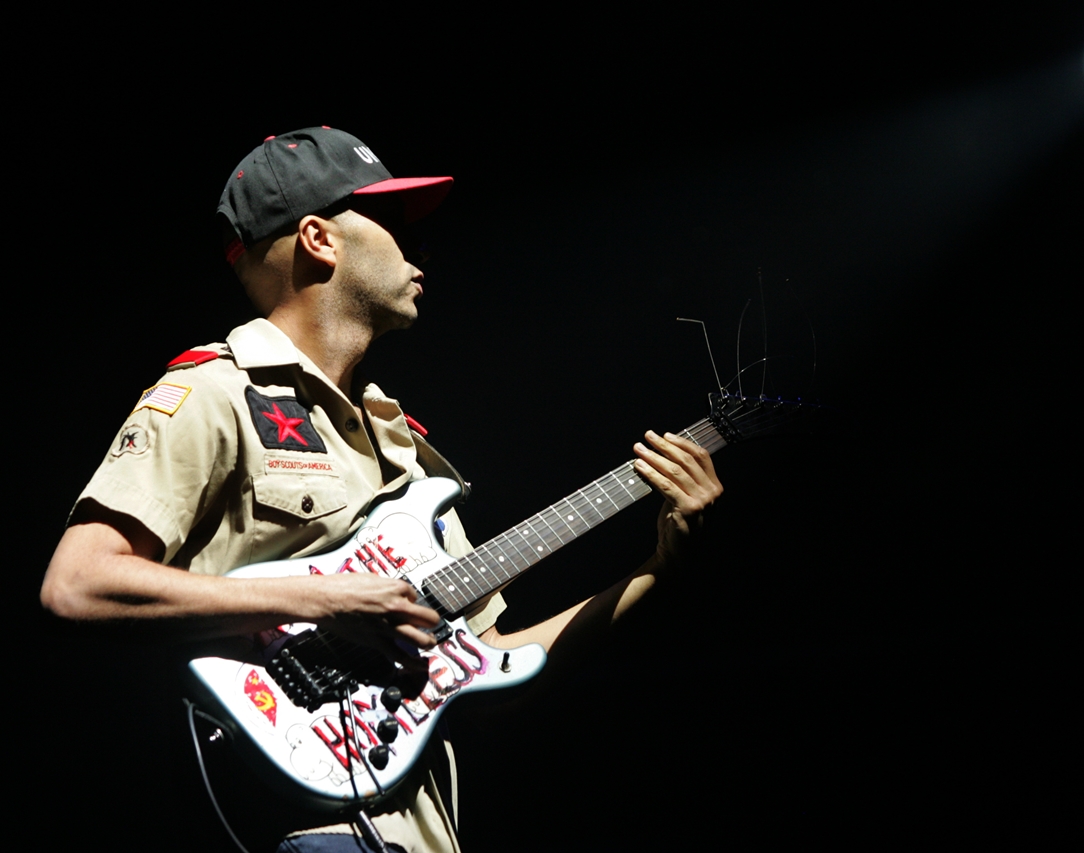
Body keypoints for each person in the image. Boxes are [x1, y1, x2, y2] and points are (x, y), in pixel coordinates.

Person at [41, 126, 723, 853]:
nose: (419, 250)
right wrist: (327, 598)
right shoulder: (214, 393)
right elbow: (78, 584)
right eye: (394, 225)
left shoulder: (408, 451)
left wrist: (658, 570)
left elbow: (488, 660)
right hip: (297, 826)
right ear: (319, 238)